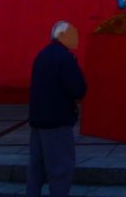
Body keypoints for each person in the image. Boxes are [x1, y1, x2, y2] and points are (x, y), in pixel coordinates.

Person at [27, 20, 87, 197]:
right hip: (57, 121)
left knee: (36, 167)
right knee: (60, 168)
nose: (76, 38)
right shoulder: (65, 58)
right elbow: (78, 88)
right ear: (62, 36)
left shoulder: (42, 55)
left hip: (38, 119)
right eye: (72, 34)